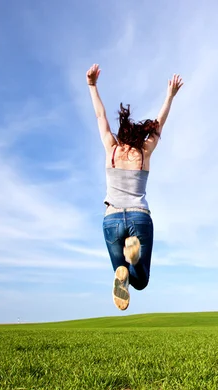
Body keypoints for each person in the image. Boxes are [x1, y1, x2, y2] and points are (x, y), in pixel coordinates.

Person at [86, 64, 183, 310]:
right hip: (139, 216)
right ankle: (135, 256)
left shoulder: (111, 149)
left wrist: (92, 86)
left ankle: (125, 267)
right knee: (141, 281)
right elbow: (159, 125)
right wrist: (169, 96)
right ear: (140, 135)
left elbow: (100, 117)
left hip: (112, 219)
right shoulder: (143, 153)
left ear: (121, 133)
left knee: (122, 273)